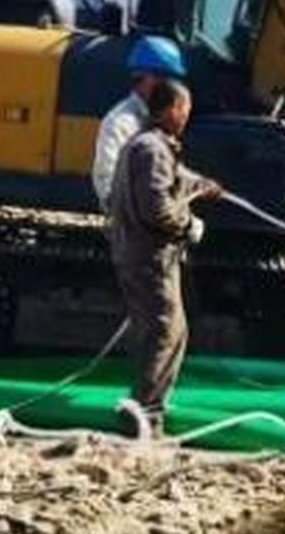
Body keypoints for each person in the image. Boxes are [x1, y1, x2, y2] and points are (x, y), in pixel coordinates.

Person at [106, 77, 222, 432]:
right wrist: (189, 225)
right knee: (165, 332)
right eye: (185, 109)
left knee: (156, 330)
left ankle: (140, 410)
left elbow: (173, 177)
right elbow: (156, 209)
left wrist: (203, 186)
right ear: (173, 109)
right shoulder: (153, 150)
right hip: (150, 259)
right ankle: (144, 419)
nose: (187, 116)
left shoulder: (143, 145)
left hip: (133, 253)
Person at [92, 35, 187, 211]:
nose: (171, 86)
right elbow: (106, 182)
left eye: (173, 80)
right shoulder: (120, 123)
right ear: (144, 78)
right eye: (165, 78)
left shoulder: (167, 119)